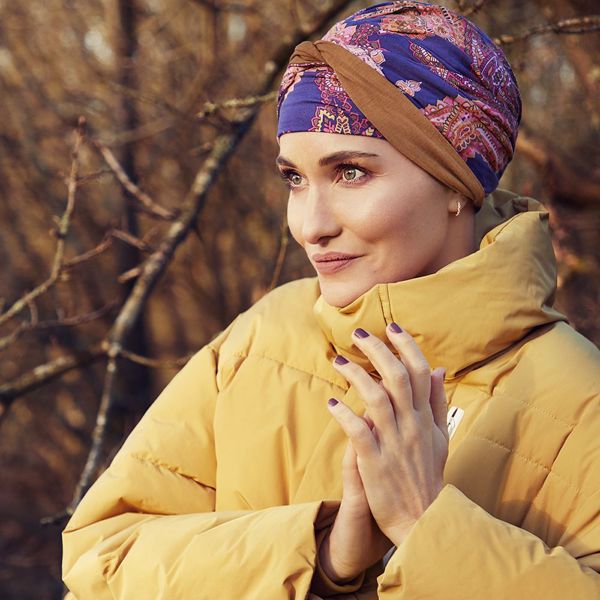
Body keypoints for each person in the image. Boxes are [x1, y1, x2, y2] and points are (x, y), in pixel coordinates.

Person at [62, 2, 600, 598]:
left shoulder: (581, 402)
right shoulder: (262, 338)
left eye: (350, 172)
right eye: (295, 178)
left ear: (456, 182)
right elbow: (101, 559)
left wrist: (428, 526)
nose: (309, 225)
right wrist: (321, 552)